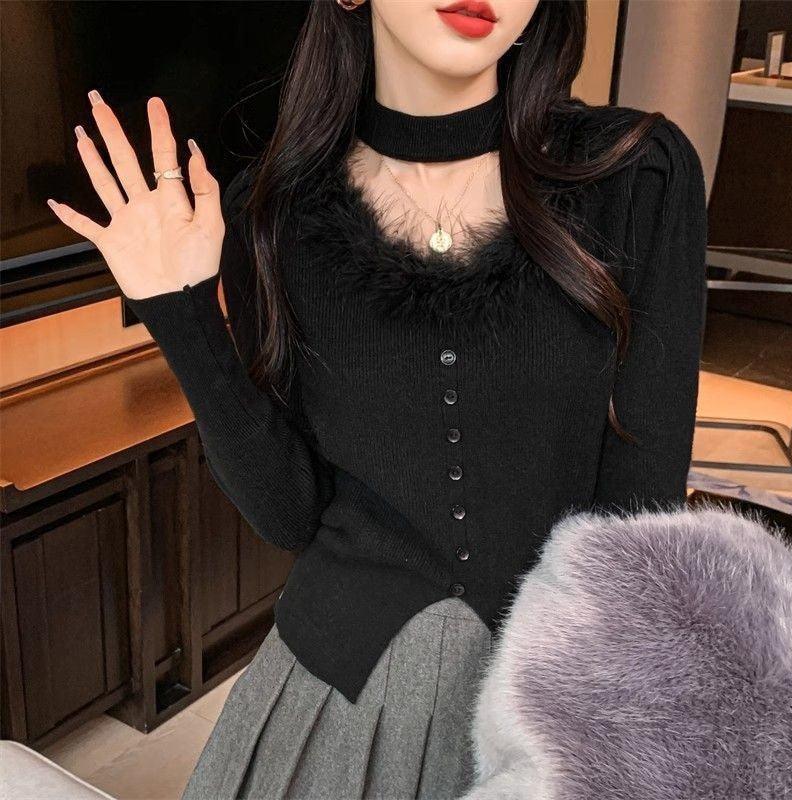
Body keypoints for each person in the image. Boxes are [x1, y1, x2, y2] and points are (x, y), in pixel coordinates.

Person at [46, 1, 708, 797]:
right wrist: (179, 312)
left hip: (548, 714)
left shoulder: (636, 175)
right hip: (332, 701)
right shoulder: (273, 213)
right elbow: (288, 514)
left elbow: (641, 522)